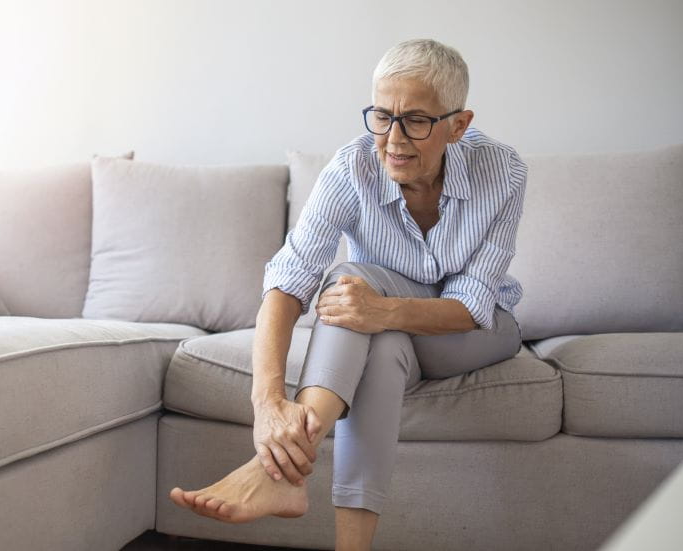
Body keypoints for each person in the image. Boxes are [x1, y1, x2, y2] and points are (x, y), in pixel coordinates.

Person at [169, 37, 527, 550]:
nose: (394, 139)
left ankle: (277, 475)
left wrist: (381, 308)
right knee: (381, 348)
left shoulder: (503, 170)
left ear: (458, 125)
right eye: (382, 116)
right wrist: (268, 404)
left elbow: (472, 305)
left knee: (354, 277)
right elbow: (288, 281)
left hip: (479, 329)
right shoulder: (350, 167)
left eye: (417, 121)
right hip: (390, 334)